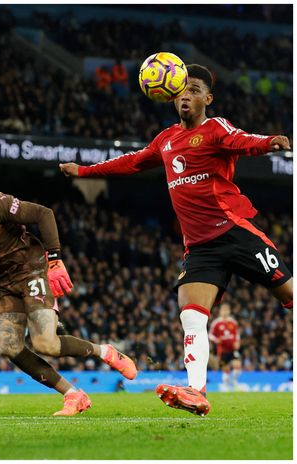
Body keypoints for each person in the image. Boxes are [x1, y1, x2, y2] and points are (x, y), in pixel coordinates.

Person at [59, 64, 292, 416]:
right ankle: (196, 391)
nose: (187, 95)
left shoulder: (215, 128)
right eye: (182, 90)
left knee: (290, 295)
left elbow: (242, 140)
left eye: (195, 90)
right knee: (192, 316)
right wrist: (85, 170)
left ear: (207, 98)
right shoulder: (166, 139)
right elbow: (133, 162)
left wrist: (267, 143)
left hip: (234, 232)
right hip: (200, 248)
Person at [0, 164, 138, 416]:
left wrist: (54, 260)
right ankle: (73, 394)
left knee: (46, 344)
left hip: (30, 268)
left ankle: (104, 351)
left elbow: (43, 214)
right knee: (9, 347)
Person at [209, 303, 241, 391]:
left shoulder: (233, 322)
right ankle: (226, 386)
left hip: (232, 349)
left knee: (237, 366)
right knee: (226, 370)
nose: (225, 312)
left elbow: (237, 334)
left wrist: (237, 342)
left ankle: (234, 382)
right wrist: (216, 340)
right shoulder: (216, 323)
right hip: (222, 350)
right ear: (220, 312)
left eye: (226, 310)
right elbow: (210, 335)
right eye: (223, 310)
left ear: (229, 311)